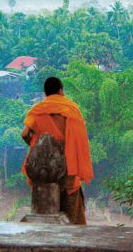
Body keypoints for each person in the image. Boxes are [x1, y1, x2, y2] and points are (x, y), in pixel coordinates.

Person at [21, 77, 93, 224]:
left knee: (45, 208)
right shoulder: (70, 109)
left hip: (44, 170)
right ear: (61, 91)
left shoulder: (38, 110)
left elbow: (24, 134)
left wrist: (38, 148)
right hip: (67, 166)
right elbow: (79, 140)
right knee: (72, 206)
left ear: (46, 93)